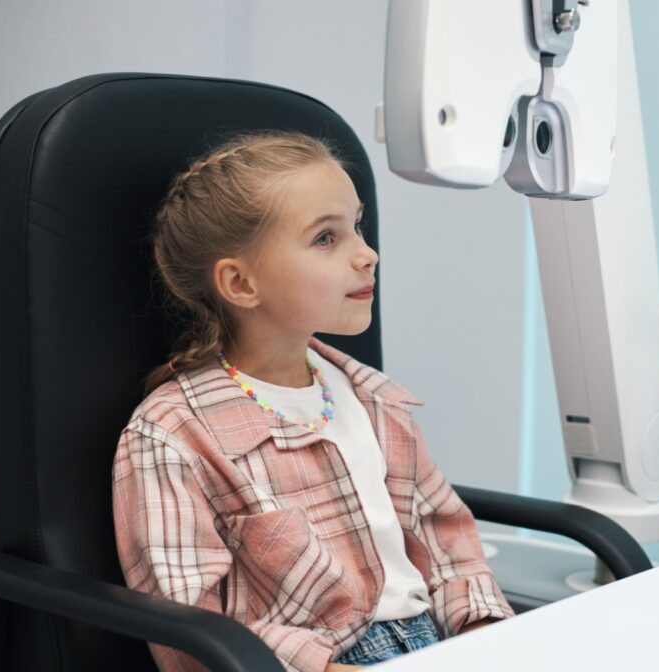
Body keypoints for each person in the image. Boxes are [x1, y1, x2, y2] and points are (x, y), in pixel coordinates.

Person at [112, 131, 514, 672]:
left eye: (358, 227)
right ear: (240, 283)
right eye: (327, 238)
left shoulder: (374, 398)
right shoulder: (171, 435)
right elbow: (191, 630)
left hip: (439, 642)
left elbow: (449, 545)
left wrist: (489, 638)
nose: (367, 254)